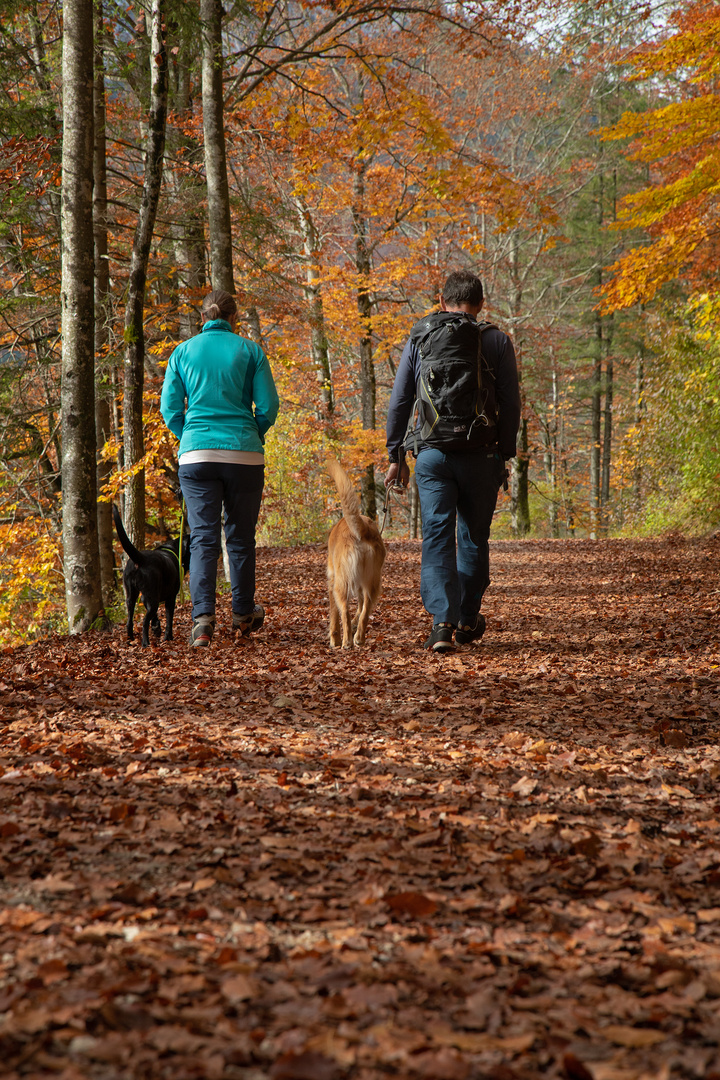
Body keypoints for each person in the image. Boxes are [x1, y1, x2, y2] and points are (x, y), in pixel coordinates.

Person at [385, 269, 521, 653]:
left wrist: (395, 455)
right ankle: (466, 619)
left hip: (432, 455)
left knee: (437, 538)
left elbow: (399, 402)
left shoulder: (421, 337)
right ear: (480, 305)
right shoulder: (496, 341)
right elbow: (511, 404)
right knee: (474, 538)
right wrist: (504, 454)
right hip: (481, 455)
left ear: (442, 302)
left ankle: (441, 623)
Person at [160, 289, 279, 647]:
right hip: (244, 455)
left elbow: (170, 410)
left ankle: (202, 621)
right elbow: (269, 406)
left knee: (202, 539)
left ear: (203, 319)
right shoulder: (250, 351)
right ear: (234, 318)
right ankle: (242, 614)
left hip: (196, 457)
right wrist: (251, 433)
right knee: (240, 538)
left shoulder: (182, 353)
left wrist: (190, 438)